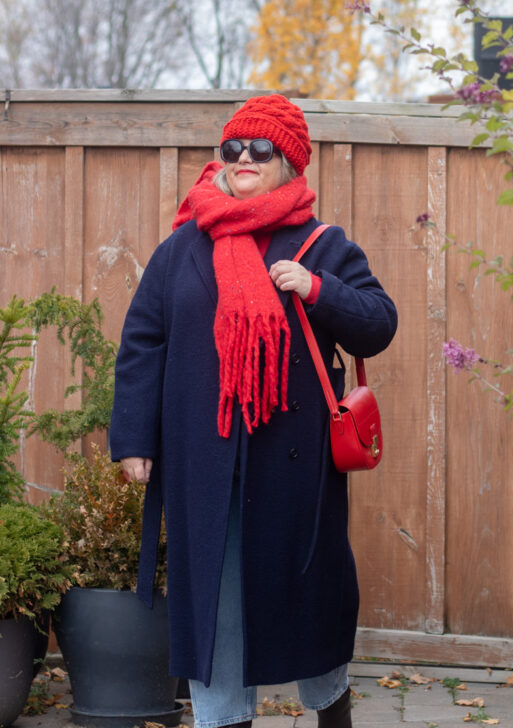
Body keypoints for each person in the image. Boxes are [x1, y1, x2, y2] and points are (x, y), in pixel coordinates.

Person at [110, 94, 397, 728]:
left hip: (294, 470)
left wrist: (315, 288)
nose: (243, 158)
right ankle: (221, 719)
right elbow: (143, 342)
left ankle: (331, 708)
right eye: (232, 148)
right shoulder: (184, 244)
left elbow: (379, 324)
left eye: (260, 150)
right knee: (215, 611)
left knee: (308, 604)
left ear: (289, 163)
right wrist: (134, 437)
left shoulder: (321, 243)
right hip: (202, 463)